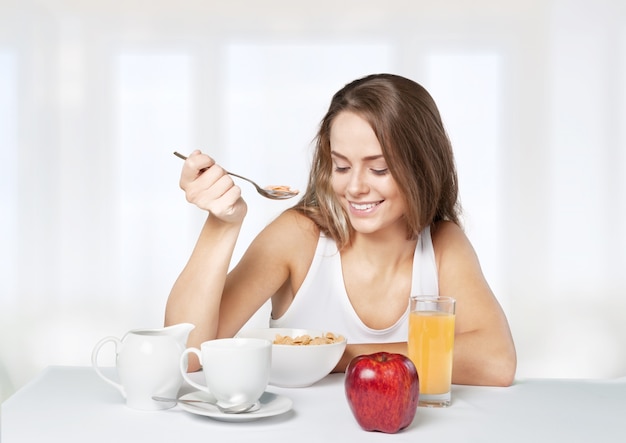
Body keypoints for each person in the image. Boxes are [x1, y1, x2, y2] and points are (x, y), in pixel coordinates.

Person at [165, 73, 517, 386]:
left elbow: (496, 361)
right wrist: (222, 224)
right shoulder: (298, 237)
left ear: (422, 167)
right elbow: (187, 354)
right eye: (342, 166)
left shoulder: (442, 244)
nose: (355, 188)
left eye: (379, 169)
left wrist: (332, 354)